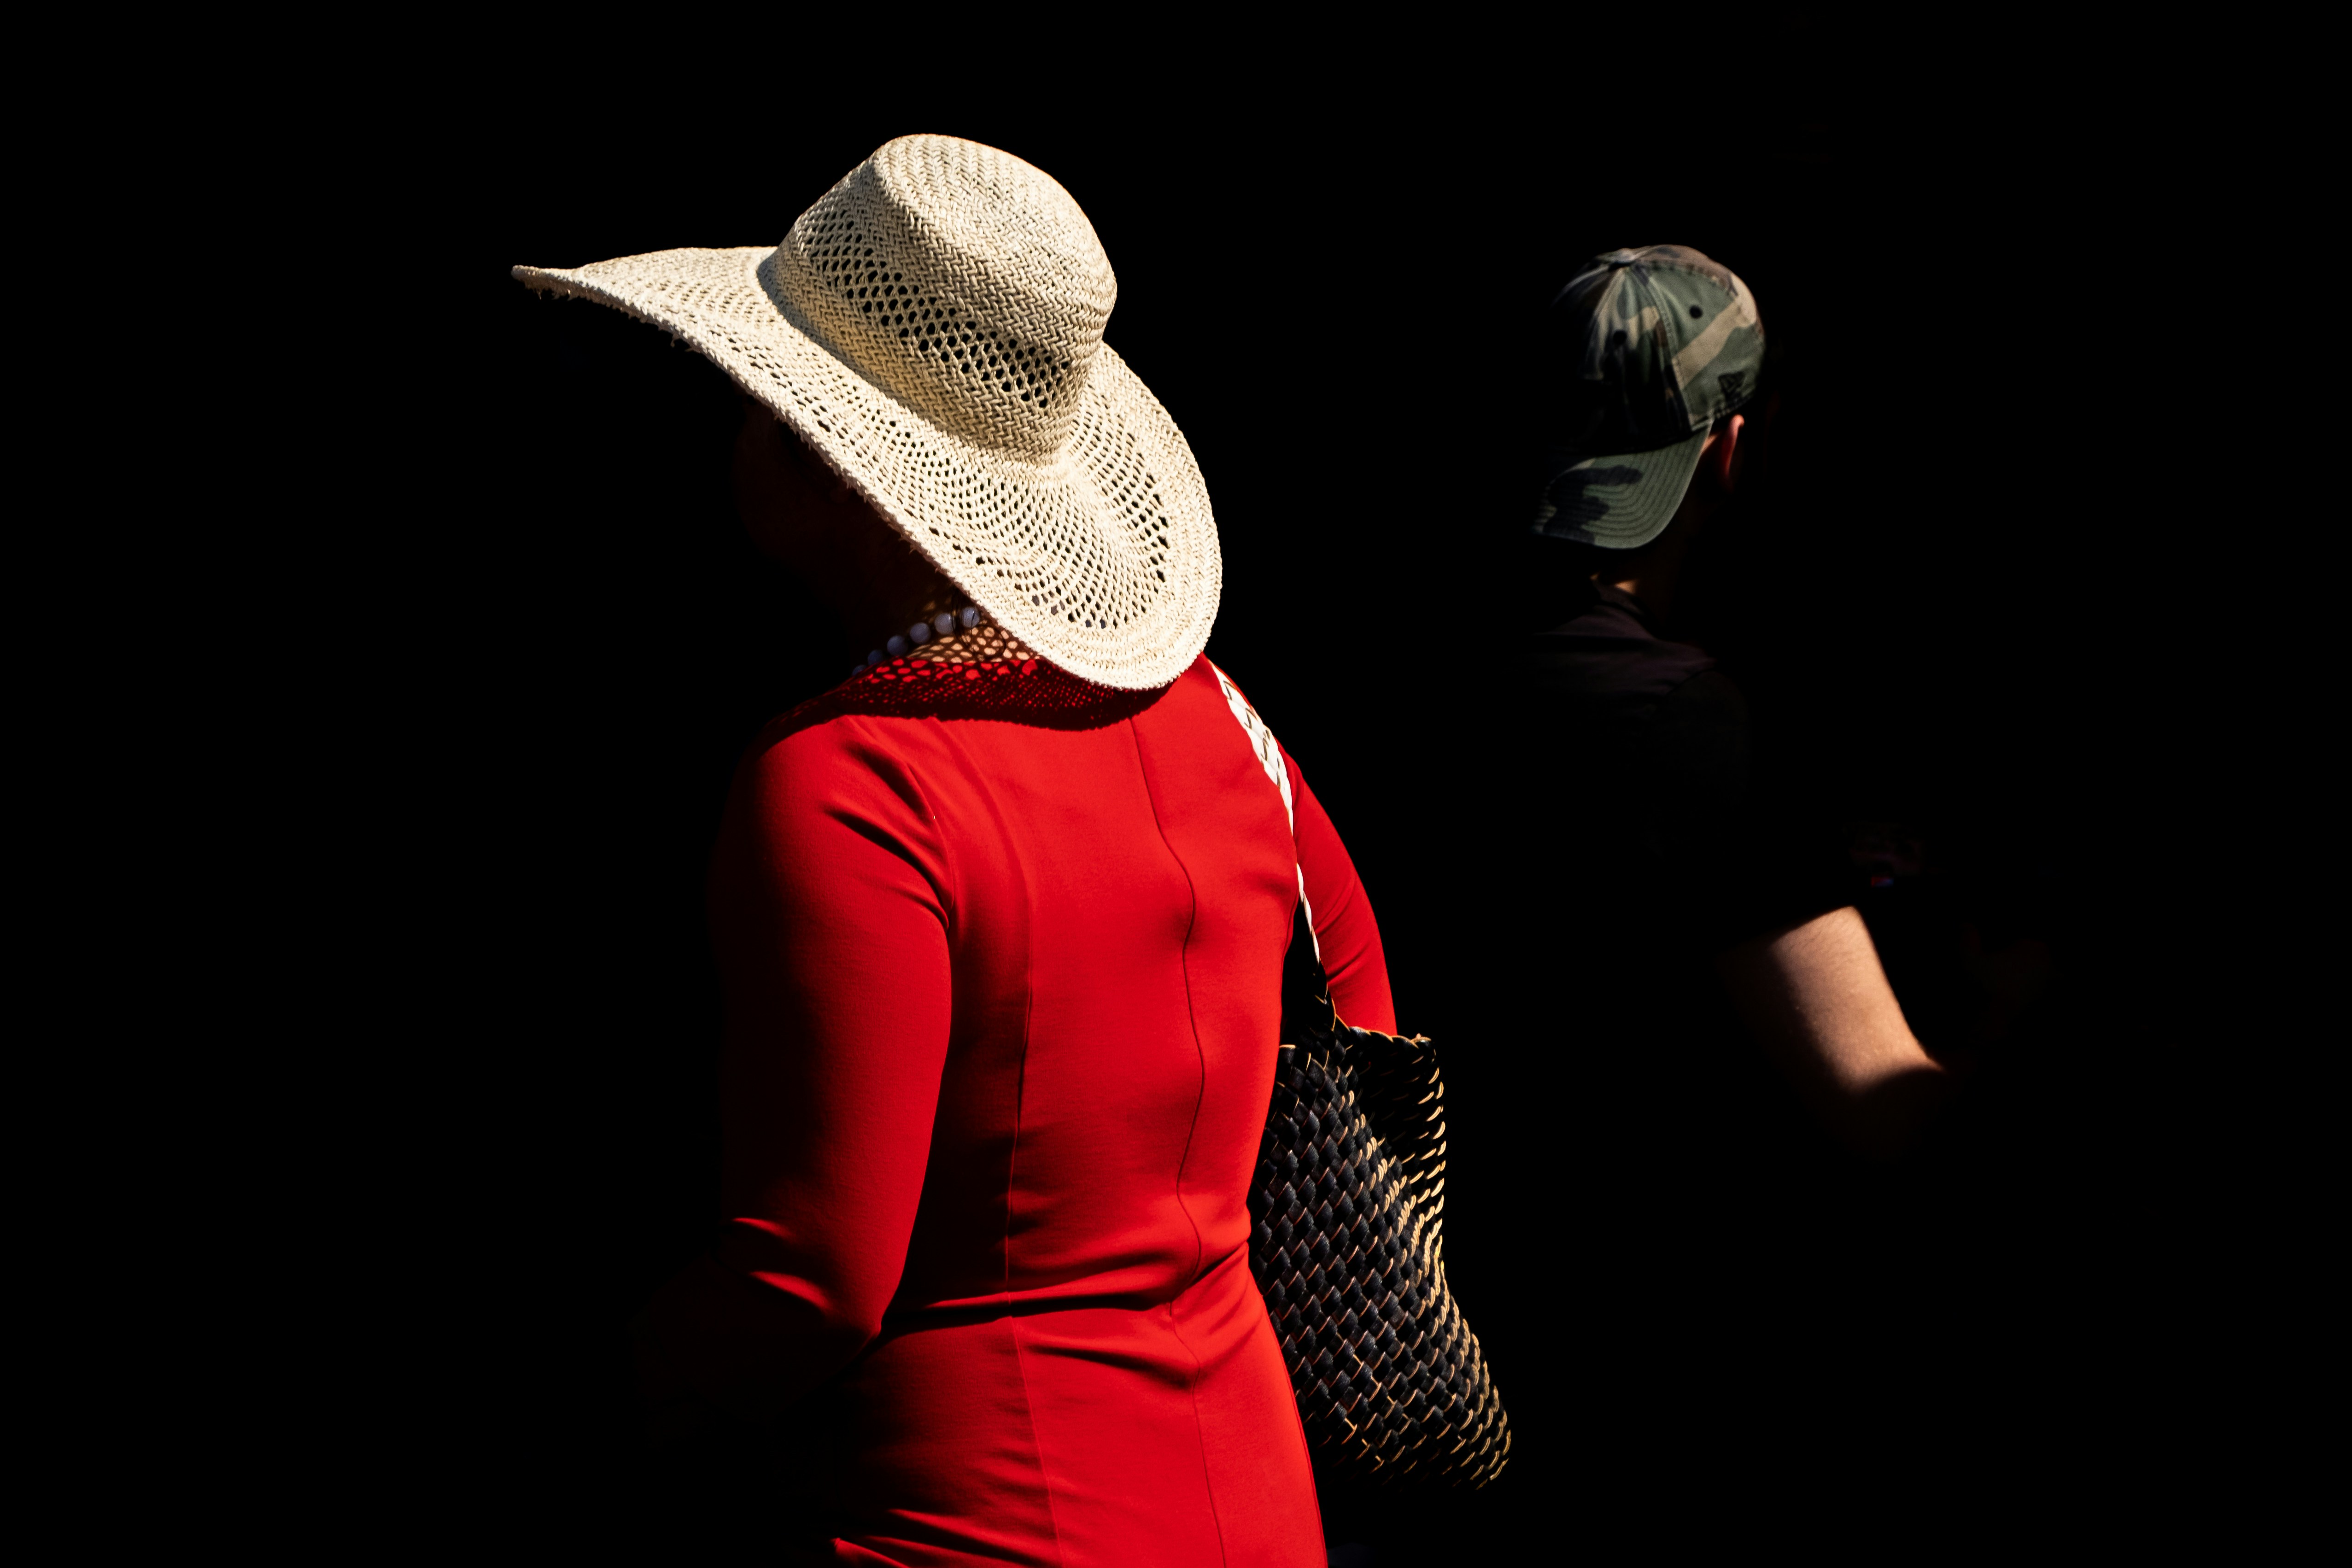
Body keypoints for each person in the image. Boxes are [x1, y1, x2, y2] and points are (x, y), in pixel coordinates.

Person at [515, 135, 1392, 1566]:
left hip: (960, 1519)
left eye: (754, 394)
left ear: (821, 459)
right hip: (1255, 1489)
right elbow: (1357, 996)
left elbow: (809, 1278)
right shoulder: (1222, 718)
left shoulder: (850, 785)